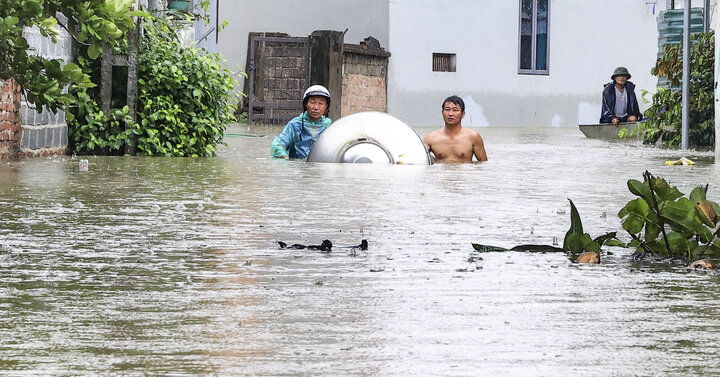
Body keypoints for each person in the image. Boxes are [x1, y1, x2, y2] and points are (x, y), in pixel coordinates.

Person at [271, 85, 332, 159]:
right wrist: (284, 157)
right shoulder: (295, 125)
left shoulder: (329, 127)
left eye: (320, 104)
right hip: (298, 168)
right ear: (306, 104)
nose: (316, 107)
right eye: (312, 102)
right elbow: (278, 144)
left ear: (326, 106)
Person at [423, 95, 488, 163]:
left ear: (462, 114)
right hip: (441, 173)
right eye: (447, 110)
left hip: (464, 173)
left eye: (455, 110)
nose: (450, 114)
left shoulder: (473, 137)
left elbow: (483, 164)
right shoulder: (431, 138)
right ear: (442, 112)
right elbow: (419, 157)